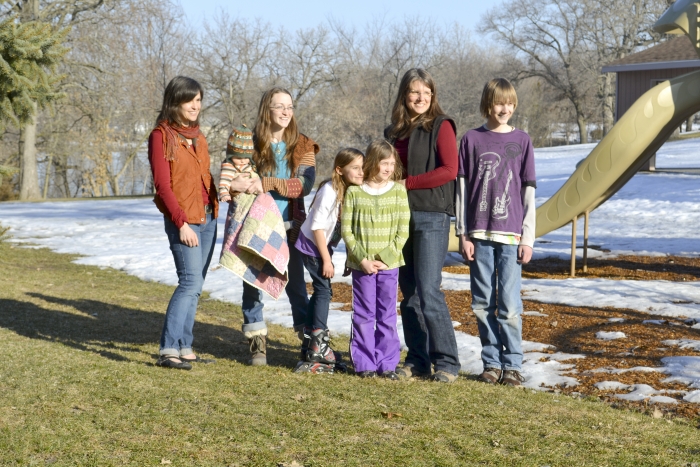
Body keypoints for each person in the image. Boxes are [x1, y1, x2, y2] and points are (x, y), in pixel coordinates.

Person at [227, 87, 319, 366]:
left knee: (295, 286)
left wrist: (267, 184)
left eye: (289, 107)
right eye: (279, 106)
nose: (285, 112)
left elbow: (304, 185)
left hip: (288, 226)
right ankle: (257, 342)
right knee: (252, 283)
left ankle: (307, 343)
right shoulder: (249, 143)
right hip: (254, 226)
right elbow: (232, 173)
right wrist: (234, 184)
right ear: (266, 110)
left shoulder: (304, 145)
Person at [456, 78, 536, 387]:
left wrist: (527, 238)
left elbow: (528, 191)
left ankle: (513, 365)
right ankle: (491, 363)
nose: (505, 109)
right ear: (488, 104)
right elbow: (462, 191)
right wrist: (462, 234)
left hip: (511, 237)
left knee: (510, 304)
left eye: (511, 103)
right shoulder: (471, 140)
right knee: (482, 302)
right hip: (479, 235)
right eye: (500, 103)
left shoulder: (523, 141)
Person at [384, 68, 461, 383]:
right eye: (415, 92)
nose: (421, 98)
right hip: (399, 217)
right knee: (410, 294)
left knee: (429, 290)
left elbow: (450, 170)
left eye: (426, 93)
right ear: (405, 94)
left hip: (432, 215)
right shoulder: (393, 132)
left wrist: (408, 183)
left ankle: (447, 363)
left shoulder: (441, 126)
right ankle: (417, 361)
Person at [148, 76, 218, 370]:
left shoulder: (198, 136)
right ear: (174, 101)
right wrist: (181, 223)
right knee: (189, 282)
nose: (195, 105)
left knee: (197, 284)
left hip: (209, 217)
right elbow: (163, 187)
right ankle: (168, 349)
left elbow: (203, 179)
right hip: (185, 220)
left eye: (199, 100)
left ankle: (185, 345)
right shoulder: (161, 136)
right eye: (190, 100)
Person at [341, 140, 410, 379]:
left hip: (389, 266)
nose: (389, 168)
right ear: (372, 162)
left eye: (392, 163)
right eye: (384, 163)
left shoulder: (399, 191)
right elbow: (347, 231)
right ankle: (364, 363)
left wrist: (384, 259)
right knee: (363, 313)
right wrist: (363, 260)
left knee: (387, 314)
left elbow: (403, 230)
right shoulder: (355, 192)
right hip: (362, 266)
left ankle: (387, 363)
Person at [293, 148, 364, 374]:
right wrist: (326, 260)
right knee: (324, 291)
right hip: (312, 246)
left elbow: (341, 230)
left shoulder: (348, 191)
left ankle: (311, 339)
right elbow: (316, 228)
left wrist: (339, 258)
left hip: (322, 247)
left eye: (362, 167)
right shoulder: (329, 191)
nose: (361, 172)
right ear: (339, 170)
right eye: (355, 168)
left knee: (320, 290)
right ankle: (319, 343)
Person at [218, 125, 258, 203]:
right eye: (239, 158)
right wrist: (224, 193)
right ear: (230, 156)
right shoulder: (229, 166)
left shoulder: (250, 165)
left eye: (246, 158)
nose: (242, 161)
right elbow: (224, 180)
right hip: (240, 199)